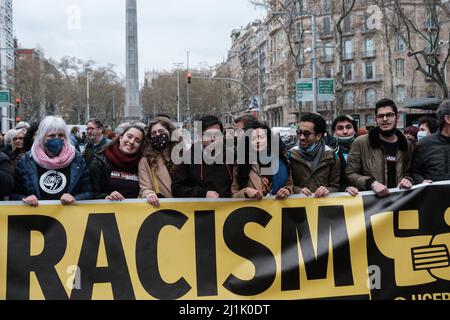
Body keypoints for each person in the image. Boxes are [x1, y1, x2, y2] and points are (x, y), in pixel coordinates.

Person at [12, 116, 92, 206]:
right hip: (37, 217)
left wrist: (75, 198)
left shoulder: (77, 159)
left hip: (68, 217)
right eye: (52, 135)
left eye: (61, 135)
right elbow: (14, 194)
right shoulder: (26, 161)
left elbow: (88, 192)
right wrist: (25, 199)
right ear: (42, 137)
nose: (57, 138)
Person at [346, 98, 414, 197]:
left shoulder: (407, 145)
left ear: (397, 118)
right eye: (381, 116)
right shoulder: (361, 143)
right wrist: (371, 183)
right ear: (375, 119)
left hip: (400, 203)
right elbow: (351, 173)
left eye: (389, 115)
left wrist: (408, 180)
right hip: (373, 205)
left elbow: (410, 172)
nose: (385, 119)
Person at [172, 115, 233, 198]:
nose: (213, 139)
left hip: (228, 209)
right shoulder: (187, 158)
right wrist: (203, 194)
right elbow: (177, 189)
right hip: (197, 209)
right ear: (200, 136)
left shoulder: (231, 156)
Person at [231, 123, 292, 199]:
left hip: (278, 209)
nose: (258, 141)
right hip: (254, 209)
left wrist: (287, 190)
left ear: (269, 140)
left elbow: (290, 185)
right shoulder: (241, 163)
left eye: (261, 137)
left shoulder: (282, 160)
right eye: (253, 139)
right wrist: (245, 192)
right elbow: (234, 195)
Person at [289, 113, 340, 198]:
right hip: (298, 208)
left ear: (318, 136)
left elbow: (336, 186)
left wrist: (328, 190)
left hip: (322, 208)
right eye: (299, 132)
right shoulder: (290, 155)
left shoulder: (332, 156)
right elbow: (287, 186)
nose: (301, 137)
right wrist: (298, 190)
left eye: (306, 133)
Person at [89, 125, 145, 200]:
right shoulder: (100, 161)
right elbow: (91, 192)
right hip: (107, 210)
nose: (132, 142)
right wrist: (107, 196)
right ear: (121, 137)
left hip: (134, 210)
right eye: (129, 136)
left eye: (137, 141)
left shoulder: (142, 164)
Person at [139, 117, 180, 207]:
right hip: (162, 210)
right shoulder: (146, 161)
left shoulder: (184, 155)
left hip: (187, 208)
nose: (158, 135)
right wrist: (149, 194)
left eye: (161, 131)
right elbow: (145, 188)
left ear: (170, 132)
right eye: (154, 133)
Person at [411, 100, 450, 183]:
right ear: (448, 119)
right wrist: (422, 181)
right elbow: (414, 173)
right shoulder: (423, 145)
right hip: (432, 195)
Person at [329, 115, 359, 196]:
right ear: (334, 132)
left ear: (355, 130)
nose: (345, 131)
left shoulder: (364, 148)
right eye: (340, 128)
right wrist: (344, 188)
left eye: (348, 127)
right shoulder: (329, 152)